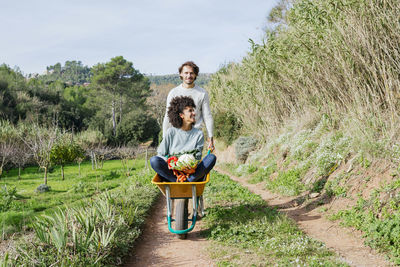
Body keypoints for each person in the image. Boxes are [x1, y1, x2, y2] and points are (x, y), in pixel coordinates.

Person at [151, 96, 216, 182]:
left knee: (211, 158)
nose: (194, 113)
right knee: (154, 160)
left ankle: (188, 180)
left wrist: (190, 167)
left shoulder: (198, 134)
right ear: (181, 115)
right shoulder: (171, 132)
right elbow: (161, 154)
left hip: (192, 171)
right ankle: (177, 180)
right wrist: (175, 165)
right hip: (174, 171)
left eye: (193, 110)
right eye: (190, 110)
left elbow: (197, 157)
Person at [162, 61, 215, 151]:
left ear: (195, 75)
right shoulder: (173, 93)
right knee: (176, 163)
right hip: (176, 136)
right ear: (181, 74)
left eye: (191, 73)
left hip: (195, 136)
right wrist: (165, 138)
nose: (189, 76)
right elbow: (168, 117)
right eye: (186, 73)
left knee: (192, 163)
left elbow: (207, 116)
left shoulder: (202, 93)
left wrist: (211, 137)